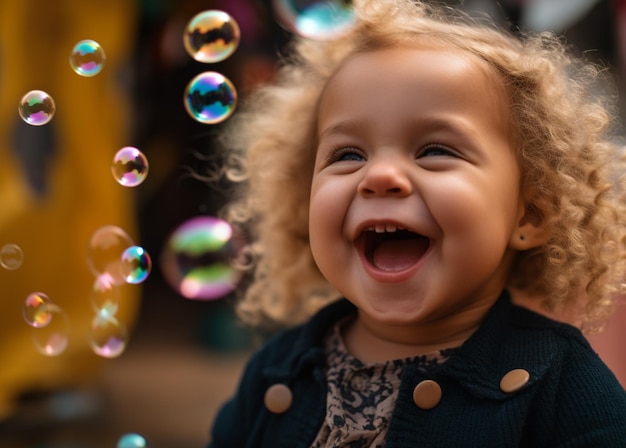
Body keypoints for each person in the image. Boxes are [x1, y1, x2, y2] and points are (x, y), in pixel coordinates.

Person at [208, 0, 626, 445]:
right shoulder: (276, 371)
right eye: (348, 155)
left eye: (434, 150)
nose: (381, 176)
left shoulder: (562, 384)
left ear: (530, 213)